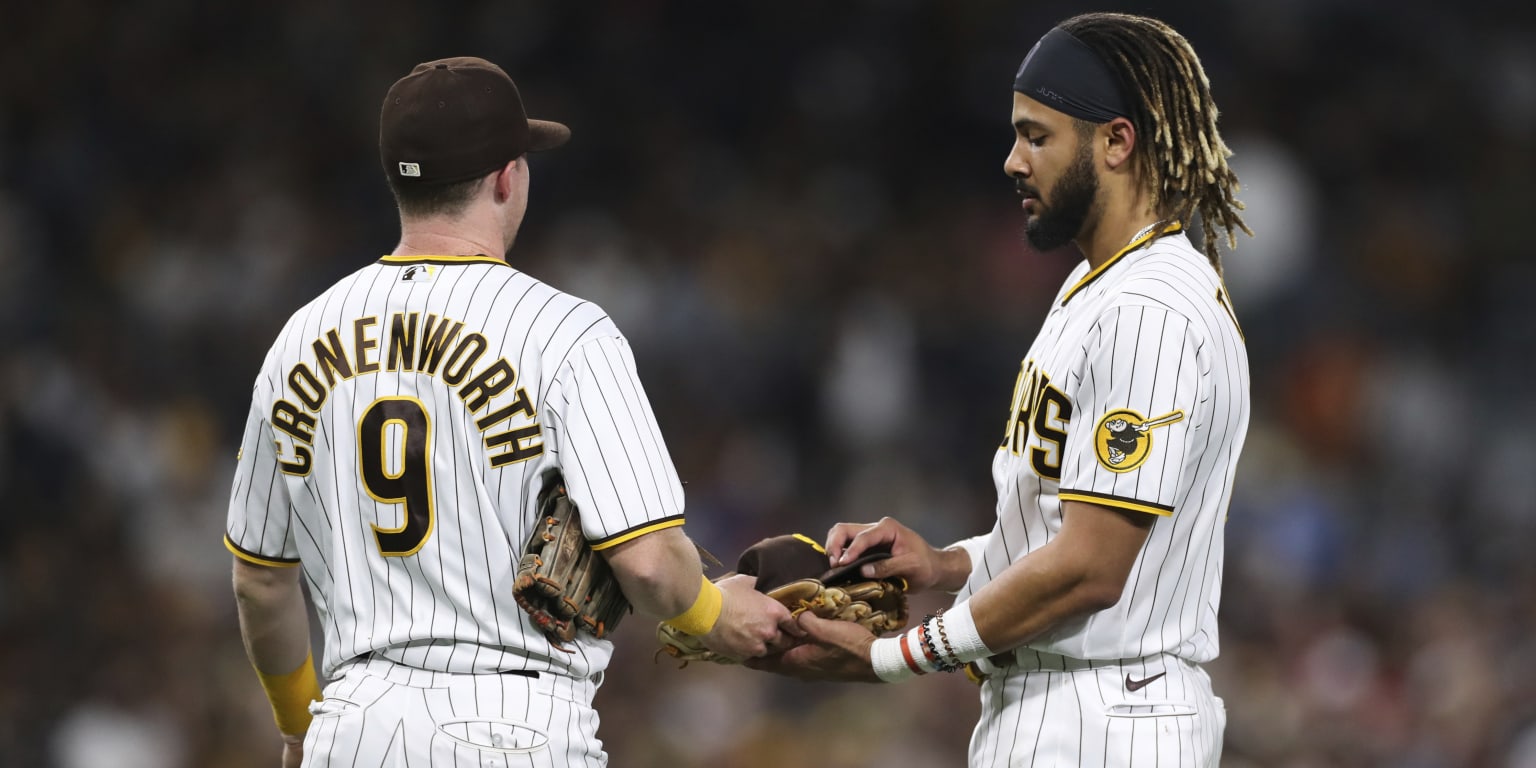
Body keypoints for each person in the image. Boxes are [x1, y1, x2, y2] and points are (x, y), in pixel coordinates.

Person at [223, 56, 796, 767]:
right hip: (512, 726)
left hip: (352, 721)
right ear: (505, 177)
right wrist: (715, 613)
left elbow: (259, 578)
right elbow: (648, 563)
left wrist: (297, 723)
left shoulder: (299, 339)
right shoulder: (565, 332)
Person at [748, 13, 1252, 766]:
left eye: (1037, 135)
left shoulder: (1148, 312)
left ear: (1117, 141)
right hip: (1066, 709)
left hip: (1106, 719)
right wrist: (946, 565)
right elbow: (1067, 530)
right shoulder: (1097, 284)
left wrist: (896, 655)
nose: (1014, 161)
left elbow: (1091, 565)